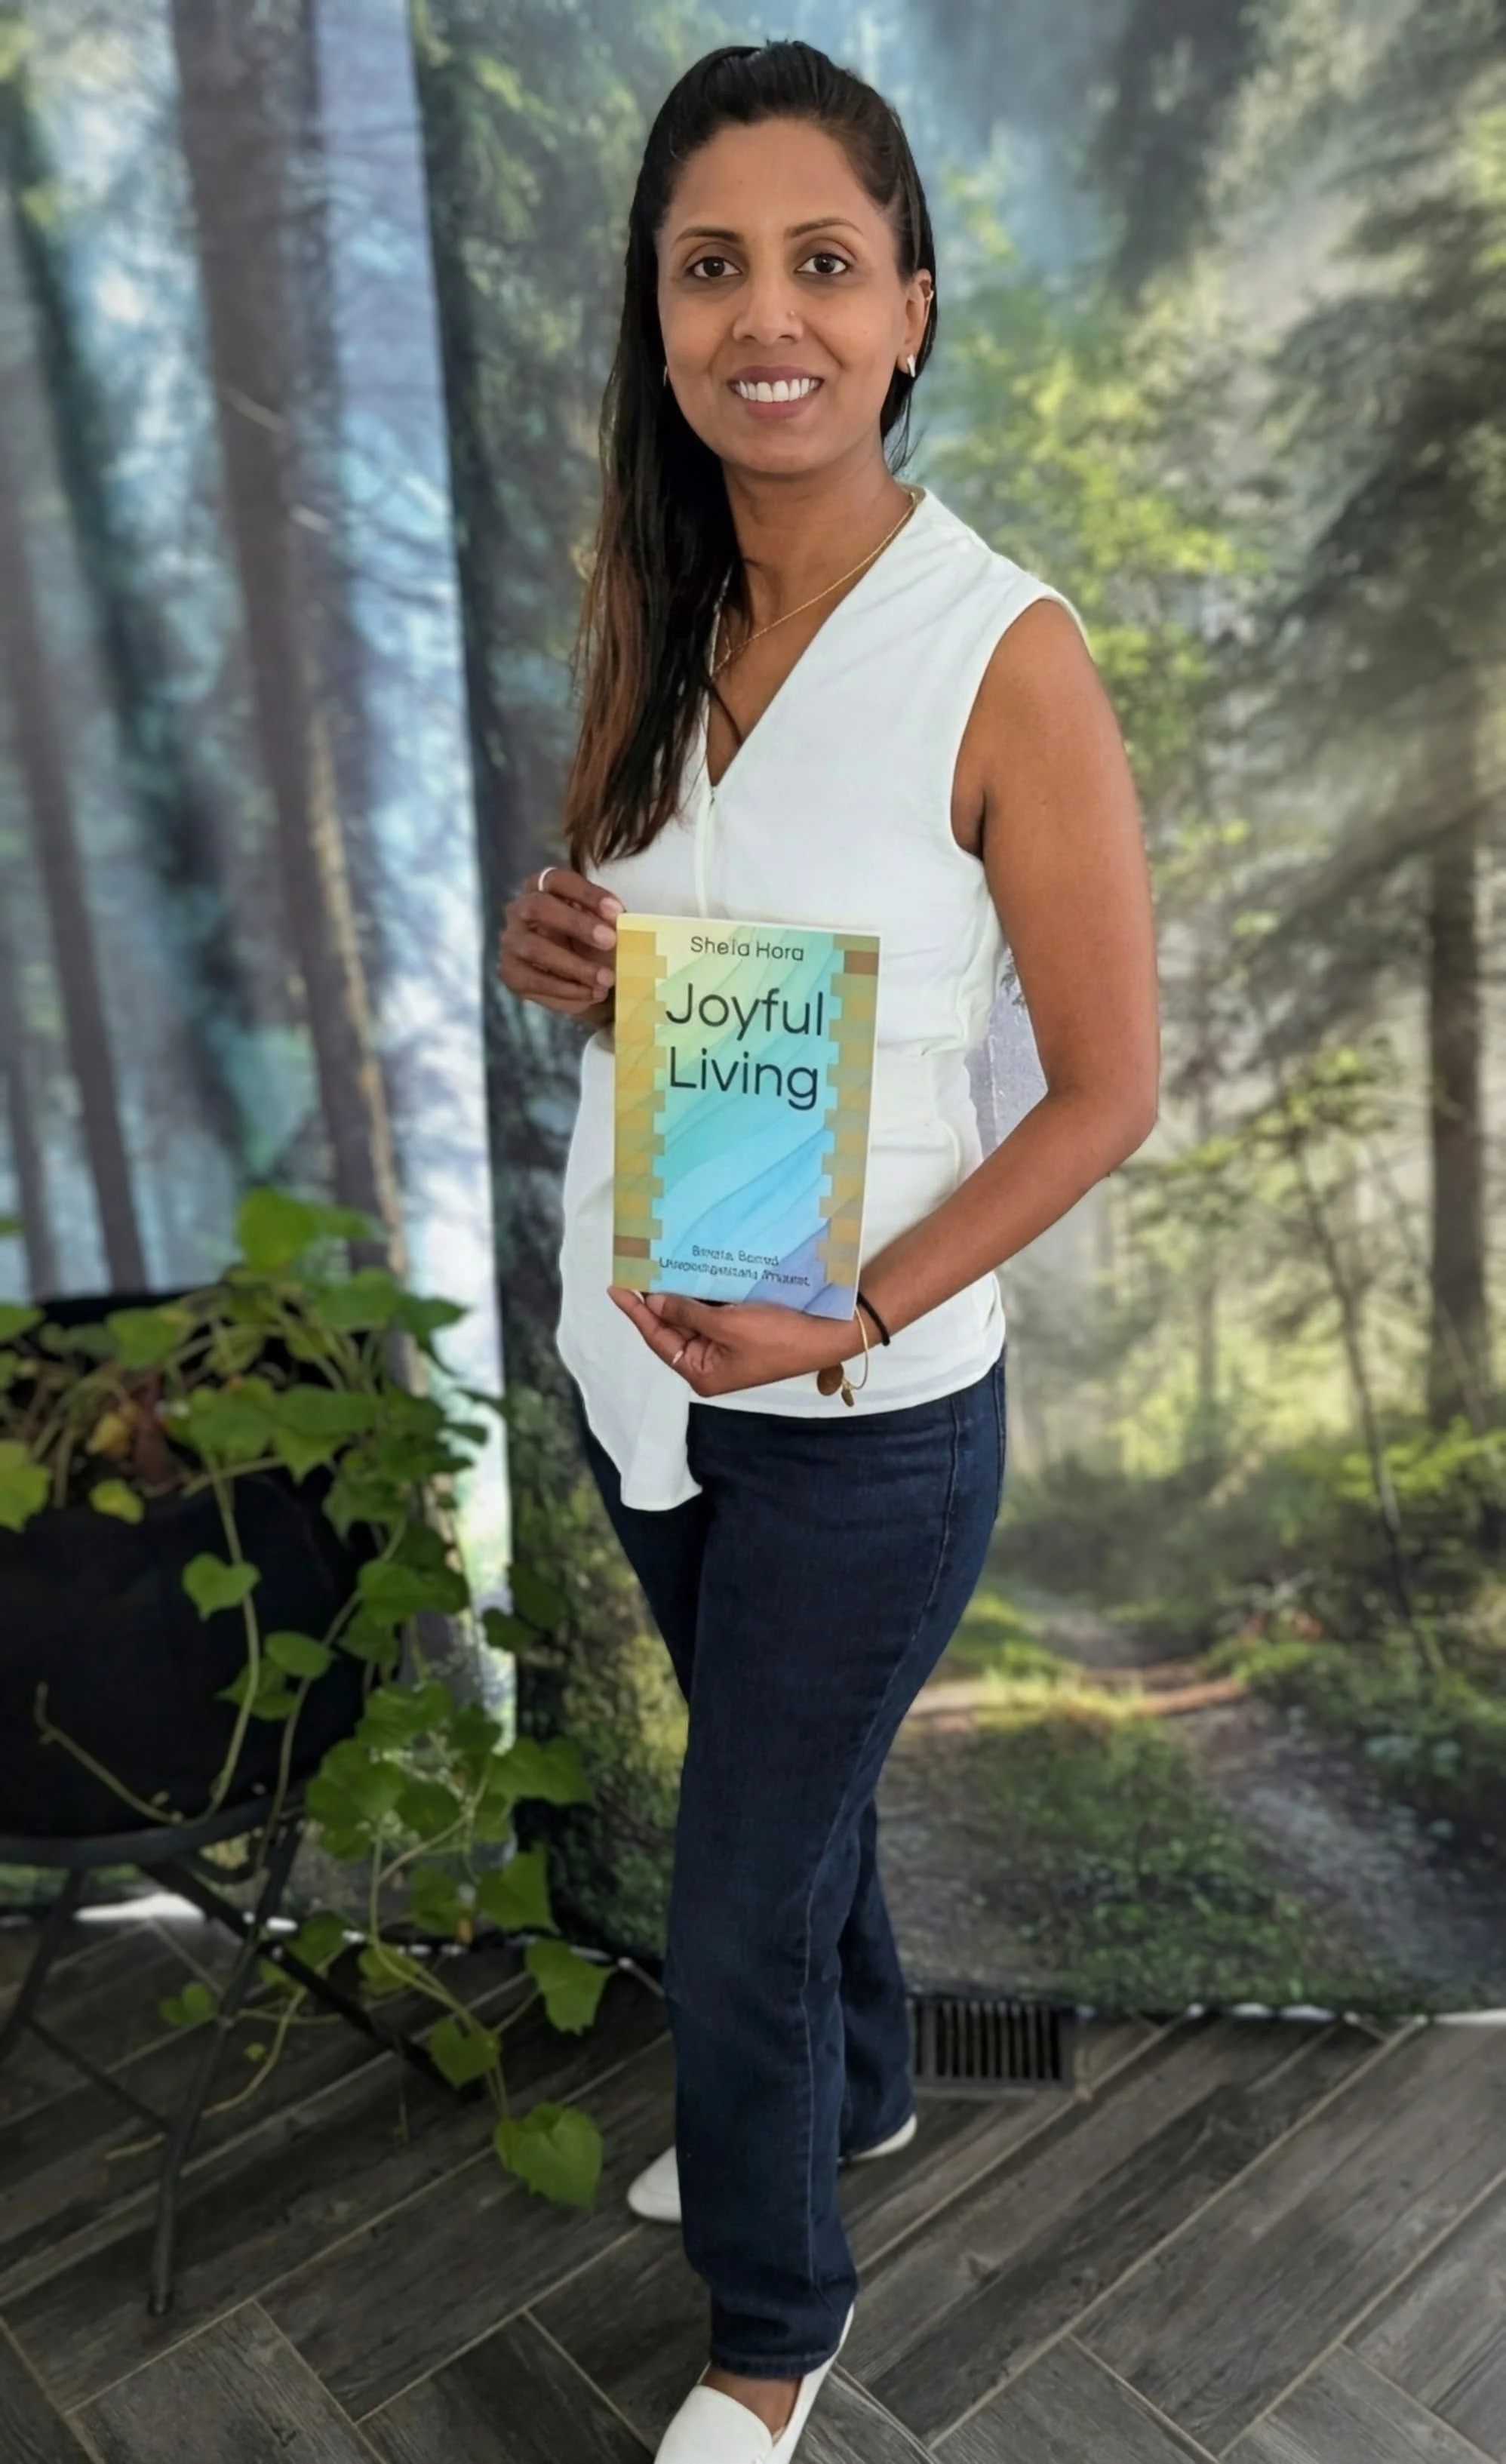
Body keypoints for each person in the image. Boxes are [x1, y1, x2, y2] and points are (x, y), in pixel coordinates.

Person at [497, 38, 1158, 2464]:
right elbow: (624, 922)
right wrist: (551, 940)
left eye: (816, 260)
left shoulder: (1006, 654)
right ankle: (859, 2089)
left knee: (731, 1891)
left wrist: (854, 1309)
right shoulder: (650, 604)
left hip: (865, 1415)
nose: (757, 312)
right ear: (658, 314)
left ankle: (769, 2336)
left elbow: (1106, 1089)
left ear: (903, 309)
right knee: (791, 1829)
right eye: (706, 265)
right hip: (642, 1360)